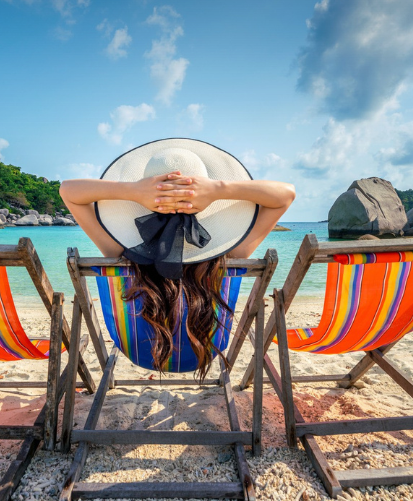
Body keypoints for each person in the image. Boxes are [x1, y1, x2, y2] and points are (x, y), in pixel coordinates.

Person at [60, 139, 294, 381]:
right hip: (204, 349)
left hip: (139, 352)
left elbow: (68, 190)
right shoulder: (232, 255)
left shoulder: (118, 250)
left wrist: (134, 191)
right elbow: (286, 195)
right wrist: (218, 189)